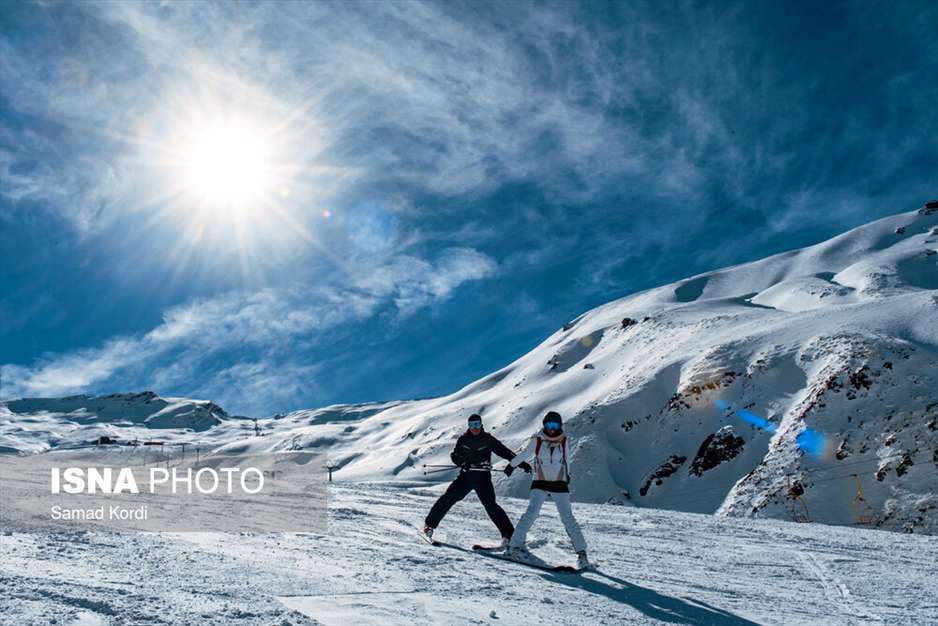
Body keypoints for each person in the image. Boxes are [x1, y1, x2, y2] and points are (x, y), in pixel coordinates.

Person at [423, 414, 531, 546]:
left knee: (490, 505)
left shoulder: (488, 439)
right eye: (472, 425)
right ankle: (429, 525)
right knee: (448, 498)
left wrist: (522, 463)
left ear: (481, 424)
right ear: (468, 426)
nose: (475, 428)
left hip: (483, 477)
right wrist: (462, 462)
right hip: (466, 476)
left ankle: (509, 535)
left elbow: (505, 452)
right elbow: (454, 455)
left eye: (477, 424)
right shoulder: (463, 440)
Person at [506, 411, 589, 569]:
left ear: (559, 426)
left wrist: (567, 476)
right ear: (544, 425)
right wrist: (511, 465)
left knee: (568, 518)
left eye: (555, 425)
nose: (552, 429)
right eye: (549, 425)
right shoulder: (537, 441)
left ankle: (582, 553)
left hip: (559, 483)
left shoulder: (564, 441)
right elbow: (525, 454)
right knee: (531, 513)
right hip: (540, 482)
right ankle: (513, 547)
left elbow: (566, 460)